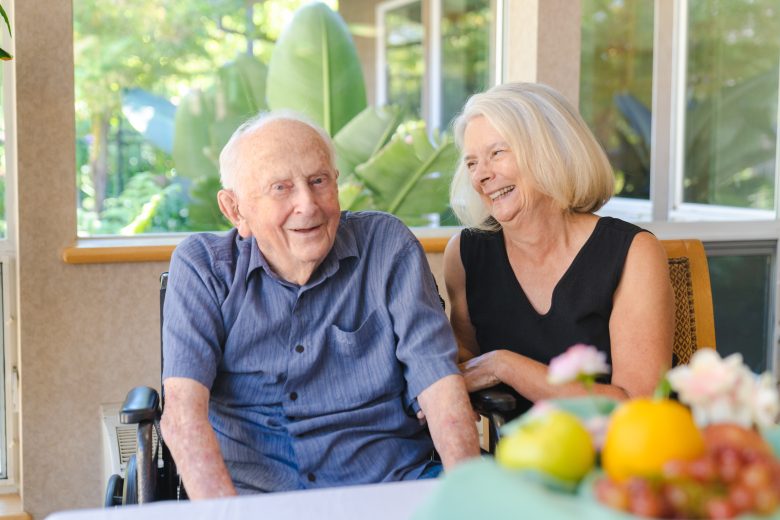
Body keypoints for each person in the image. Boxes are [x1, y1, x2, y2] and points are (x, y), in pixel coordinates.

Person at [160, 111, 479, 499]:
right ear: (235, 209)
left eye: (318, 181)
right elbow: (183, 415)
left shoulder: (386, 245)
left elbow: (439, 385)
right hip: (256, 501)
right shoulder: (204, 267)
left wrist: (469, 497)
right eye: (281, 188)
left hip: (390, 487)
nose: (307, 205)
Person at [444, 82, 675, 419]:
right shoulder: (466, 255)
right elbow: (465, 360)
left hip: (617, 457)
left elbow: (638, 406)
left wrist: (504, 365)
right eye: (471, 163)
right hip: (516, 457)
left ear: (549, 151)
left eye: (497, 153)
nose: (481, 176)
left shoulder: (632, 253)